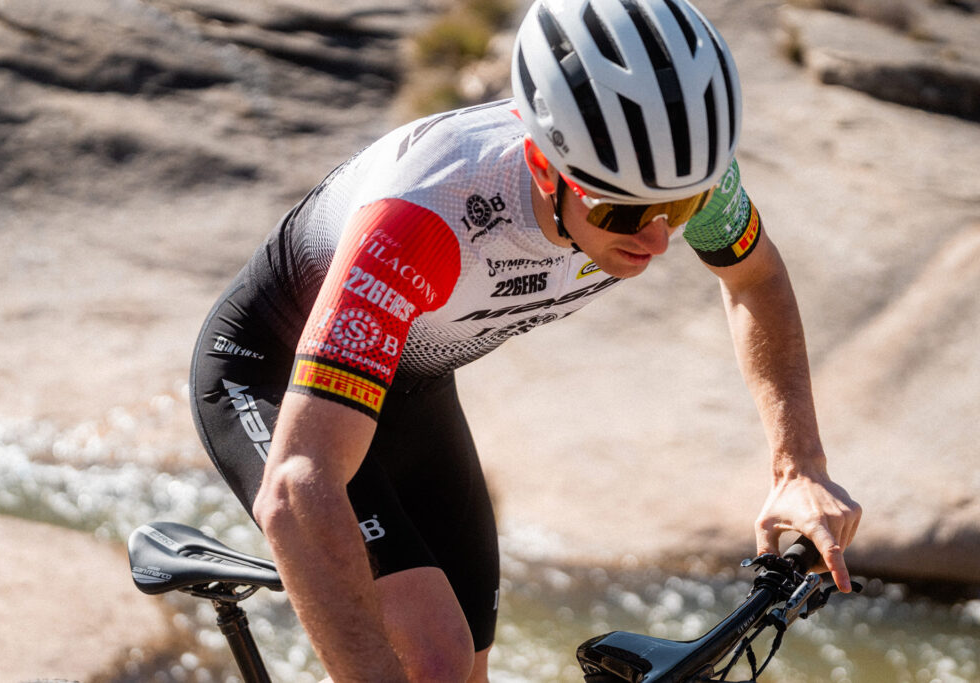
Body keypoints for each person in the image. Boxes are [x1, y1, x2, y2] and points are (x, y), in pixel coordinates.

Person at [188, 0, 862, 679]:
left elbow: (755, 280)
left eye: (679, 207)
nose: (658, 239)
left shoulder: (679, 172)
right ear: (544, 166)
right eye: (623, 210)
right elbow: (298, 486)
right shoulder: (427, 211)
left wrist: (798, 465)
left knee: (468, 668)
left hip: (413, 384)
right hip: (273, 370)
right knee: (434, 657)